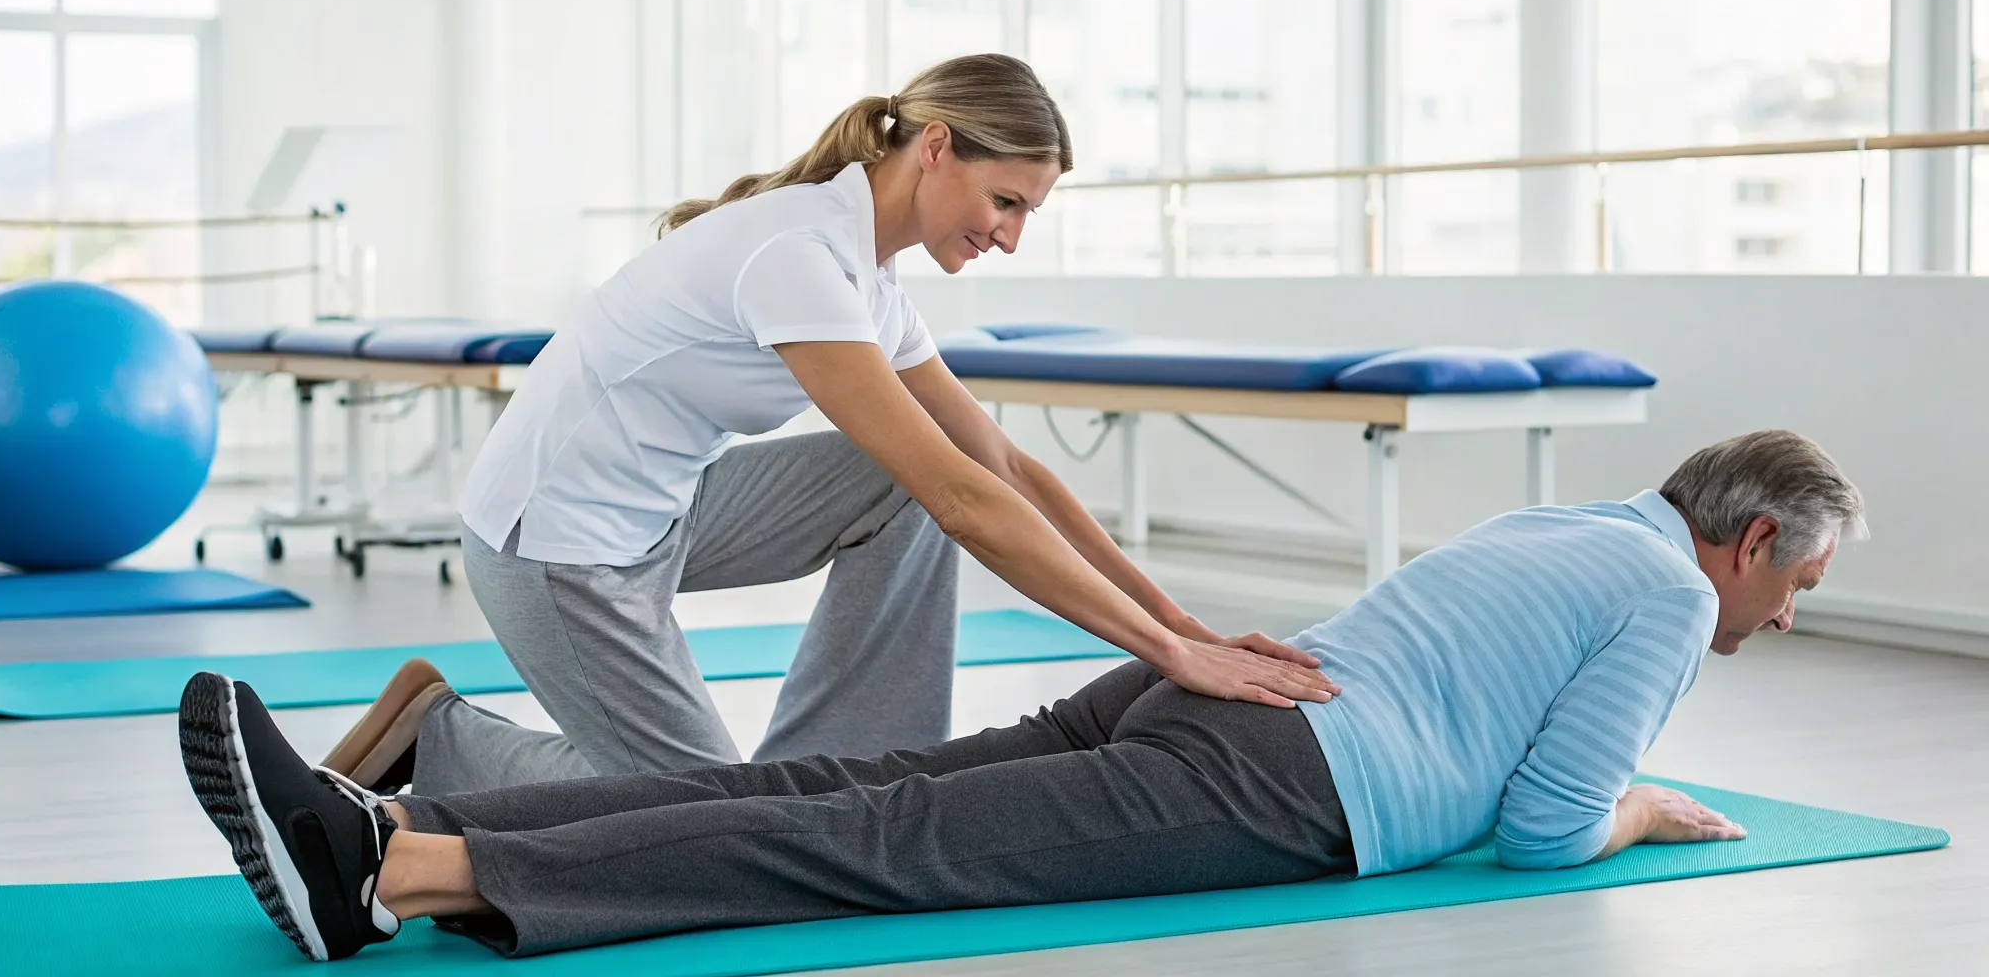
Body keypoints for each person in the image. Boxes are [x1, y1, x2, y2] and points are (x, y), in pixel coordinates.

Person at [180, 429, 1863, 962]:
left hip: (1208, 694)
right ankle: (400, 870)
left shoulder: (1566, 519)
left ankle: (413, 814)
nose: (1780, 618)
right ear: (1754, 536)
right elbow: (1549, 829)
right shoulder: (1660, 588)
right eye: (1792, 587)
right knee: (874, 847)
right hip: (1294, 781)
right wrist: (1646, 801)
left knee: (837, 790)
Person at [319, 52, 1336, 801]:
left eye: (1029, 213)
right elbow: (964, 499)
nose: (1011, 236)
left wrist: (1187, 627)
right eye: (1003, 201)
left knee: (897, 492)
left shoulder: (868, 274)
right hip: (554, 544)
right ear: (934, 149)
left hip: (661, 513)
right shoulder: (796, 254)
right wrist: (1169, 659)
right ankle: (442, 737)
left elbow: (1000, 465)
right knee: (711, 828)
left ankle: (840, 783)